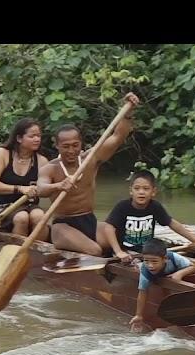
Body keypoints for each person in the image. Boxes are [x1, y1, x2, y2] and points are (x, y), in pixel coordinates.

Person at [36, 92, 140, 255]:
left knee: (121, 241)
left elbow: (118, 136)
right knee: (95, 250)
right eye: (66, 146)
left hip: (89, 220)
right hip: (63, 226)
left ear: (81, 144)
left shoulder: (90, 159)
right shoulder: (50, 168)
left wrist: (127, 113)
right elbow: (40, 189)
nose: (71, 150)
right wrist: (59, 185)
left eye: (75, 145)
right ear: (57, 146)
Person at [104, 170, 195, 262]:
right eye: (137, 188)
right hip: (126, 250)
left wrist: (194, 239)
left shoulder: (155, 206)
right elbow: (109, 227)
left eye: (146, 189)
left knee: (172, 262)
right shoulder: (122, 206)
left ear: (153, 191)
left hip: (147, 249)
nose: (141, 192)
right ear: (131, 191)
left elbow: (171, 223)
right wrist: (118, 251)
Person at [0, 118, 50, 240]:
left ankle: (38, 253)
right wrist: (20, 189)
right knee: (21, 218)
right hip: (2, 207)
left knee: (40, 217)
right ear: (19, 138)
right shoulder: (2, 154)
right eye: (32, 136)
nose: (37, 139)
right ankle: (16, 252)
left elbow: (47, 190)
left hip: (29, 206)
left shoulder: (42, 161)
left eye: (39, 136)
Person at [129, 238, 195, 332]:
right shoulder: (145, 272)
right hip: (161, 278)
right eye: (146, 261)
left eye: (154, 261)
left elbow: (192, 266)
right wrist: (138, 315)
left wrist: (180, 273)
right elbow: (142, 292)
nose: (150, 266)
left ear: (165, 259)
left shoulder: (174, 258)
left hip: (172, 273)